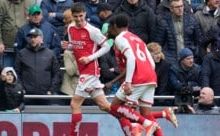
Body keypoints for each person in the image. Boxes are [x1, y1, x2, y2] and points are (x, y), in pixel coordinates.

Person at [62, 3, 158, 136]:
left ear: (85, 14)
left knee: (75, 104)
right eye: (75, 16)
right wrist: (69, 46)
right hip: (84, 71)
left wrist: (90, 58)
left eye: (81, 16)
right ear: (72, 16)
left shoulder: (92, 30)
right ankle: (136, 127)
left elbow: (106, 46)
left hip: (90, 71)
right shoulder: (71, 28)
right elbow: (76, 47)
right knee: (106, 106)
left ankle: (73, 135)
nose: (78, 19)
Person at [107, 14, 179, 135]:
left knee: (114, 107)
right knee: (145, 113)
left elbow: (131, 58)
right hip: (150, 76)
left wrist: (128, 82)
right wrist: (150, 75)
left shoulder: (120, 38)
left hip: (137, 78)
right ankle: (160, 116)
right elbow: (151, 61)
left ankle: (147, 124)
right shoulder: (137, 38)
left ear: (114, 26)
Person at [14, 28, 60, 105]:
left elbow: (56, 73)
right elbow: (16, 73)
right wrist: (21, 88)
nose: (32, 39)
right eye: (31, 37)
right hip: (27, 94)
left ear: (41, 38)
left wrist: (51, 90)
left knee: (44, 116)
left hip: (45, 94)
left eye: (35, 37)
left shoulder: (50, 54)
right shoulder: (22, 53)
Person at [154, 0, 202, 64]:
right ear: (171, 9)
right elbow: (158, 43)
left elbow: (199, 41)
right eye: (177, 7)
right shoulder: (163, 21)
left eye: (181, 6)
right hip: (170, 60)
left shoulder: (191, 20)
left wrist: (195, 53)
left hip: (189, 58)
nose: (180, 9)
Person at [0, 0, 35, 66]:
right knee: (7, 72)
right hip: (7, 47)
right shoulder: (2, 3)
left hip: (25, 47)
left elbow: (36, 21)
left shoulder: (30, 2)